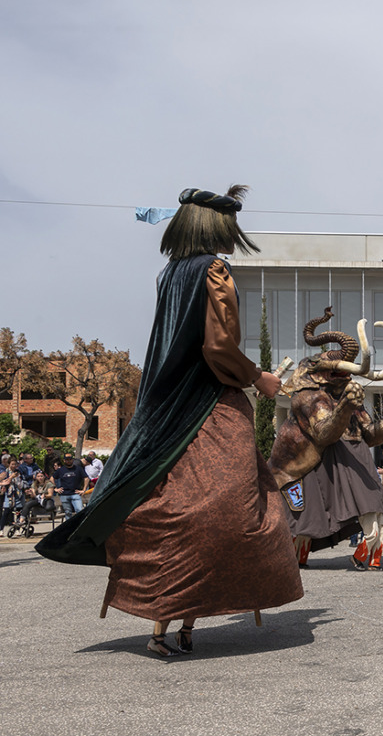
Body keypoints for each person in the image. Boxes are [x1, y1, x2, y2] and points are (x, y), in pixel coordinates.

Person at [36, 185, 303, 657]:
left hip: (163, 409)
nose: (232, 234)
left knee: (177, 507)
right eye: (227, 225)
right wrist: (258, 378)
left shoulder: (170, 274)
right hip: (208, 405)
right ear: (214, 225)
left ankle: (172, 625)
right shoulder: (214, 271)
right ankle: (179, 621)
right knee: (236, 512)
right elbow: (217, 348)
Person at [292, 409, 383, 571]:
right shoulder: (329, 415)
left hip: (368, 481)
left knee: (379, 529)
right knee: (373, 530)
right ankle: (357, 558)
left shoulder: (359, 438)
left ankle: (373, 562)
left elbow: (372, 432)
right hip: (345, 476)